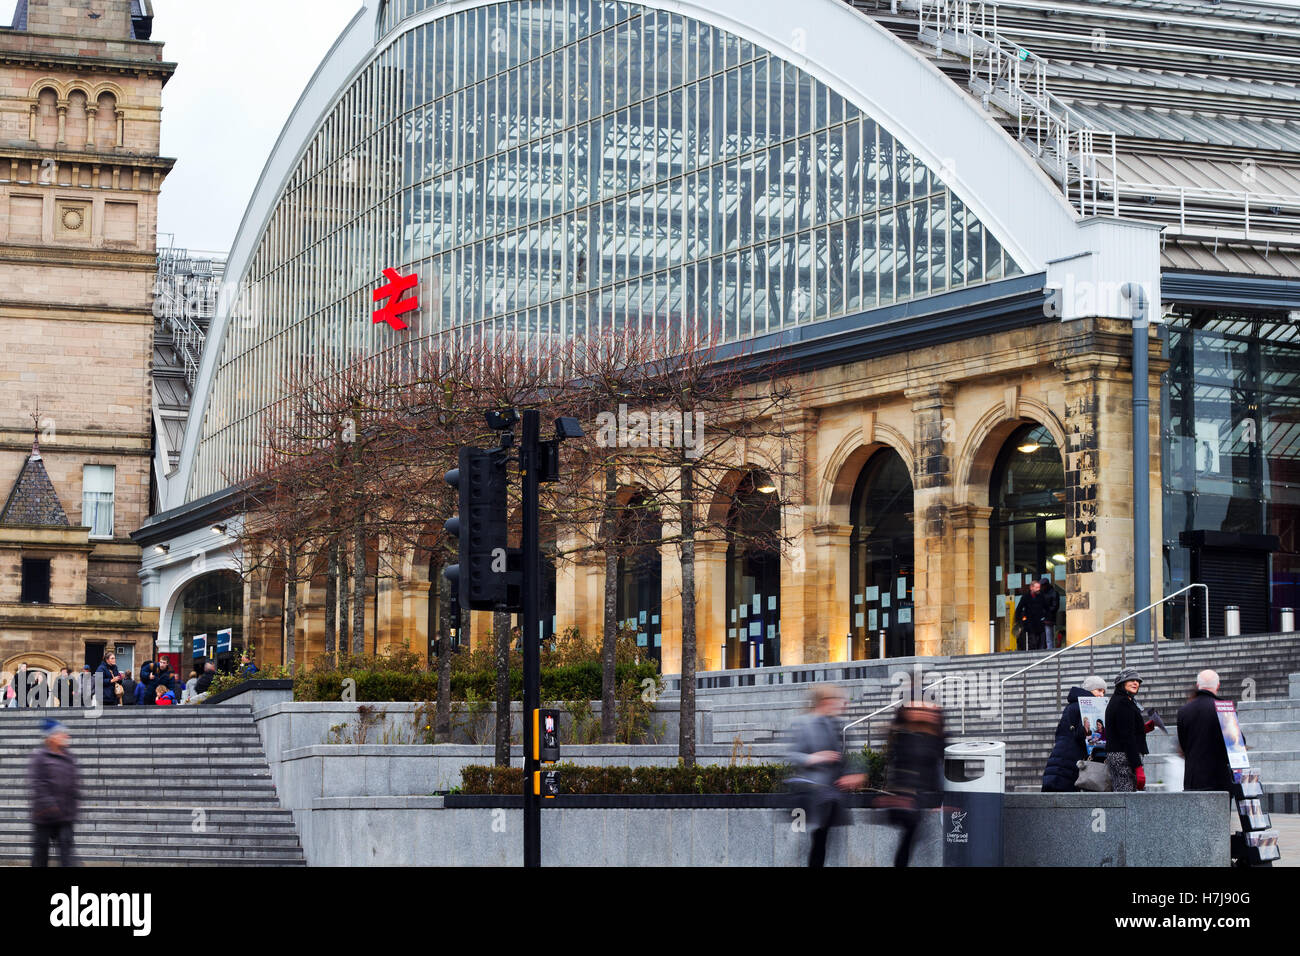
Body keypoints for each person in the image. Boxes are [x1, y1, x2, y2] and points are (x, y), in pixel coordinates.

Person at [787, 684, 864, 867]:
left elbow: (851, 756)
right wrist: (814, 758)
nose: (839, 704)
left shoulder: (839, 725)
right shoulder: (803, 723)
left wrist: (854, 774)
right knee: (818, 839)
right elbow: (791, 754)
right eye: (834, 700)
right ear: (824, 701)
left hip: (832, 794)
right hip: (812, 792)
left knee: (822, 839)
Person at [884, 701, 946, 866]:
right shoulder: (904, 736)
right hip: (907, 796)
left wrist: (942, 797)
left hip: (923, 795)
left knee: (910, 840)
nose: (925, 713)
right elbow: (898, 764)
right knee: (908, 839)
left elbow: (939, 764)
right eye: (917, 710)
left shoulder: (934, 737)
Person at [1041, 675, 1107, 792]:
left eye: (1104, 692)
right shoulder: (1084, 707)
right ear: (1088, 690)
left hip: (1063, 755)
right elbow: (1082, 735)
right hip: (1070, 758)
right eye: (1098, 690)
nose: (1102, 695)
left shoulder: (1073, 705)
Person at [29, 718, 79, 867]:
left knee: (67, 859)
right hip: (44, 817)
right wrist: (51, 806)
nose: (66, 736)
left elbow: (74, 784)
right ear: (51, 737)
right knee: (40, 858)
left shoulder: (69, 758)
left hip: (65, 818)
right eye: (61, 734)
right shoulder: (40, 758)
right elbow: (38, 785)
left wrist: (73, 807)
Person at [1177, 669, 1235, 792]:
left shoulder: (1183, 711)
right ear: (1218, 686)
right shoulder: (1224, 708)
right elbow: (1236, 744)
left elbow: (1183, 745)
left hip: (1193, 779)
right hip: (1218, 779)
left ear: (1198, 686)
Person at [1104, 669, 1148, 792]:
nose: (1136, 683)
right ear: (1122, 683)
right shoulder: (1123, 702)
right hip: (1124, 755)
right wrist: (1138, 767)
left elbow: (1123, 728)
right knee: (1127, 798)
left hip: (1122, 753)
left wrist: (1144, 728)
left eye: (1138, 681)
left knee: (1126, 795)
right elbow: (1127, 736)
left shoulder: (1123, 699)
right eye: (1132, 680)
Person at [1015, 580, 1049, 651]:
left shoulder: (1041, 596)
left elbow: (1047, 608)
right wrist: (1020, 620)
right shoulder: (1026, 597)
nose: (1038, 589)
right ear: (1031, 588)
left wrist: (1045, 618)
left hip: (1039, 622)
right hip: (1030, 623)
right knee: (1032, 641)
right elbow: (1019, 609)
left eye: (1039, 587)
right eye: (1036, 587)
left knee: (1040, 641)